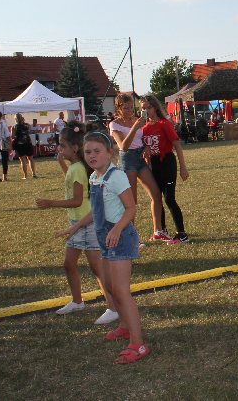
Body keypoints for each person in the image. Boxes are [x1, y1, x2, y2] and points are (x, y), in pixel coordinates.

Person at [56, 131, 149, 364]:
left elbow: (131, 208)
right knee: (109, 286)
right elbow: (95, 211)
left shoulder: (116, 176)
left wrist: (116, 230)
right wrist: (75, 226)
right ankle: (124, 327)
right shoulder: (94, 178)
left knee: (121, 291)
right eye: (88, 152)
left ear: (109, 153)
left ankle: (138, 343)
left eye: (97, 151)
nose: (92, 155)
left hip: (120, 238)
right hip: (105, 239)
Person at [36, 122, 118, 325]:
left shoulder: (79, 169)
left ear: (74, 148)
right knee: (69, 264)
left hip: (88, 223)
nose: (59, 149)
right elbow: (74, 183)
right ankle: (77, 301)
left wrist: (50, 203)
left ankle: (113, 307)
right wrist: (61, 165)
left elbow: (77, 200)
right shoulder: (76, 168)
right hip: (77, 222)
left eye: (62, 145)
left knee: (97, 268)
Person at [109, 94, 174, 245]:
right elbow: (123, 146)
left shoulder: (137, 120)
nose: (129, 111)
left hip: (140, 158)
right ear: (119, 109)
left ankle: (158, 231)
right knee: (131, 202)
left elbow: (143, 139)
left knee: (156, 194)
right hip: (128, 160)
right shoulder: (114, 124)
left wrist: (146, 147)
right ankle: (130, 238)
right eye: (126, 108)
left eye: (131, 108)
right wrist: (134, 127)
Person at [140, 95, 190, 243]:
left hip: (167, 162)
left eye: (149, 107)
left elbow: (177, 145)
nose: (146, 111)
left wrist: (183, 168)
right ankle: (162, 230)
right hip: (153, 164)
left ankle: (181, 234)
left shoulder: (164, 124)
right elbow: (145, 148)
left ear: (155, 107)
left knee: (169, 199)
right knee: (156, 198)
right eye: (143, 108)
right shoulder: (143, 128)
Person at [12, 113, 37, 179]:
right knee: (31, 158)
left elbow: (13, 137)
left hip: (19, 144)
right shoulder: (27, 125)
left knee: (23, 160)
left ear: (15, 119)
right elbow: (29, 130)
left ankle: (25, 176)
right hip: (28, 143)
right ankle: (34, 173)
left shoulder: (14, 127)